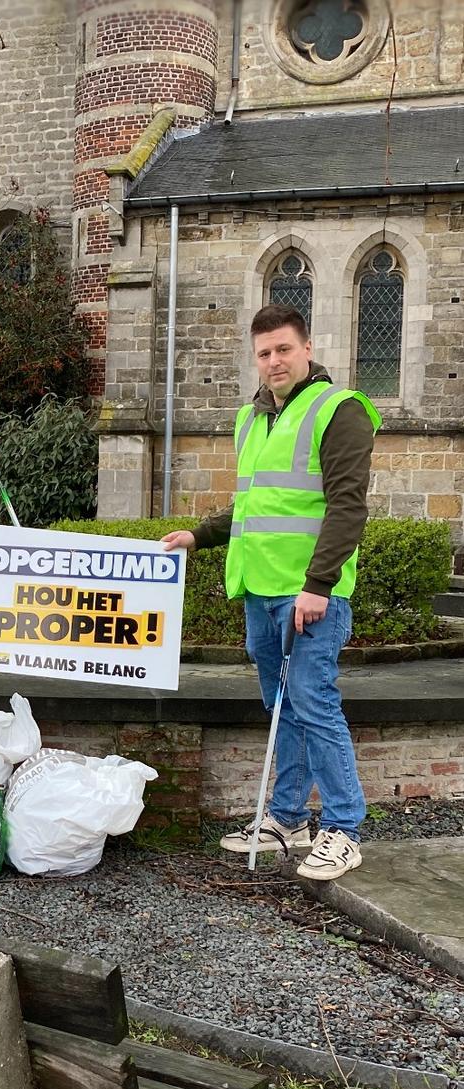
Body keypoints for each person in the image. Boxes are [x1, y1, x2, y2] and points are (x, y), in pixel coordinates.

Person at [162, 303, 381, 881]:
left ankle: (343, 829)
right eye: (264, 353)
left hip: (308, 594)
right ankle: (287, 819)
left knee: (313, 702)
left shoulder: (340, 410)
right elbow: (255, 505)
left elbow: (347, 506)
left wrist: (319, 585)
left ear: (306, 348)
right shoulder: (251, 419)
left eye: (284, 349)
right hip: (259, 589)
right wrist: (200, 535)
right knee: (283, 708)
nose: (274, 361)